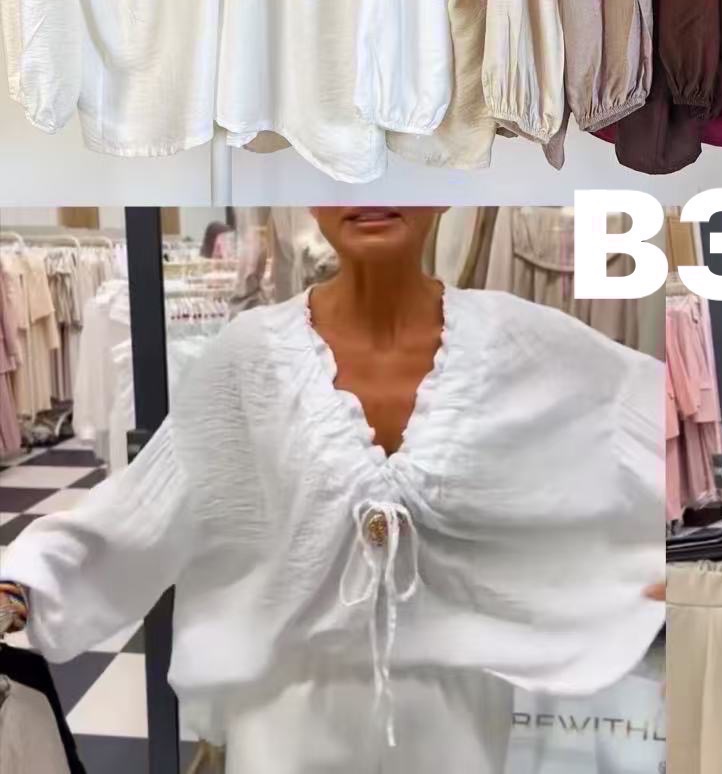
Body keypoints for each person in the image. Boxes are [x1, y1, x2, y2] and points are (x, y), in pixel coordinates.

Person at [0, 207, 664, 774]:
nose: (371, 195)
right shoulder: (250, 356)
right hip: (285, 725)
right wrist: (26, 584)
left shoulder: (521, 342)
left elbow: (651, 418)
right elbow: (145, 506)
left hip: (454, 724)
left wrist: (679, 559)